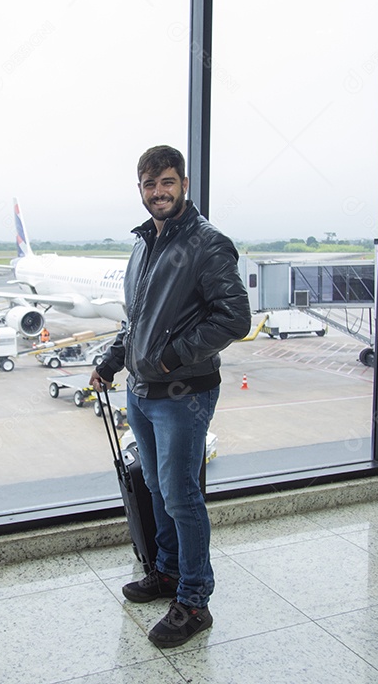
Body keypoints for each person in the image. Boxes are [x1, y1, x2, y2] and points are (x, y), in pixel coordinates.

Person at [90, 144, 251, 648]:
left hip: (183, 393)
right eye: (148, 184)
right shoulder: (143, 244)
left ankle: (195, 600)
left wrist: (169, 358)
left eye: (166, 182)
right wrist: (112, 361)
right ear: (140, 190)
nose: (158, 192)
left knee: (182, 496)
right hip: (140, 392)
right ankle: (165, 573)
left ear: (183, 184)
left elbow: (234, 318)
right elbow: (136, 321)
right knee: (158, 491)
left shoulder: (208, 243)